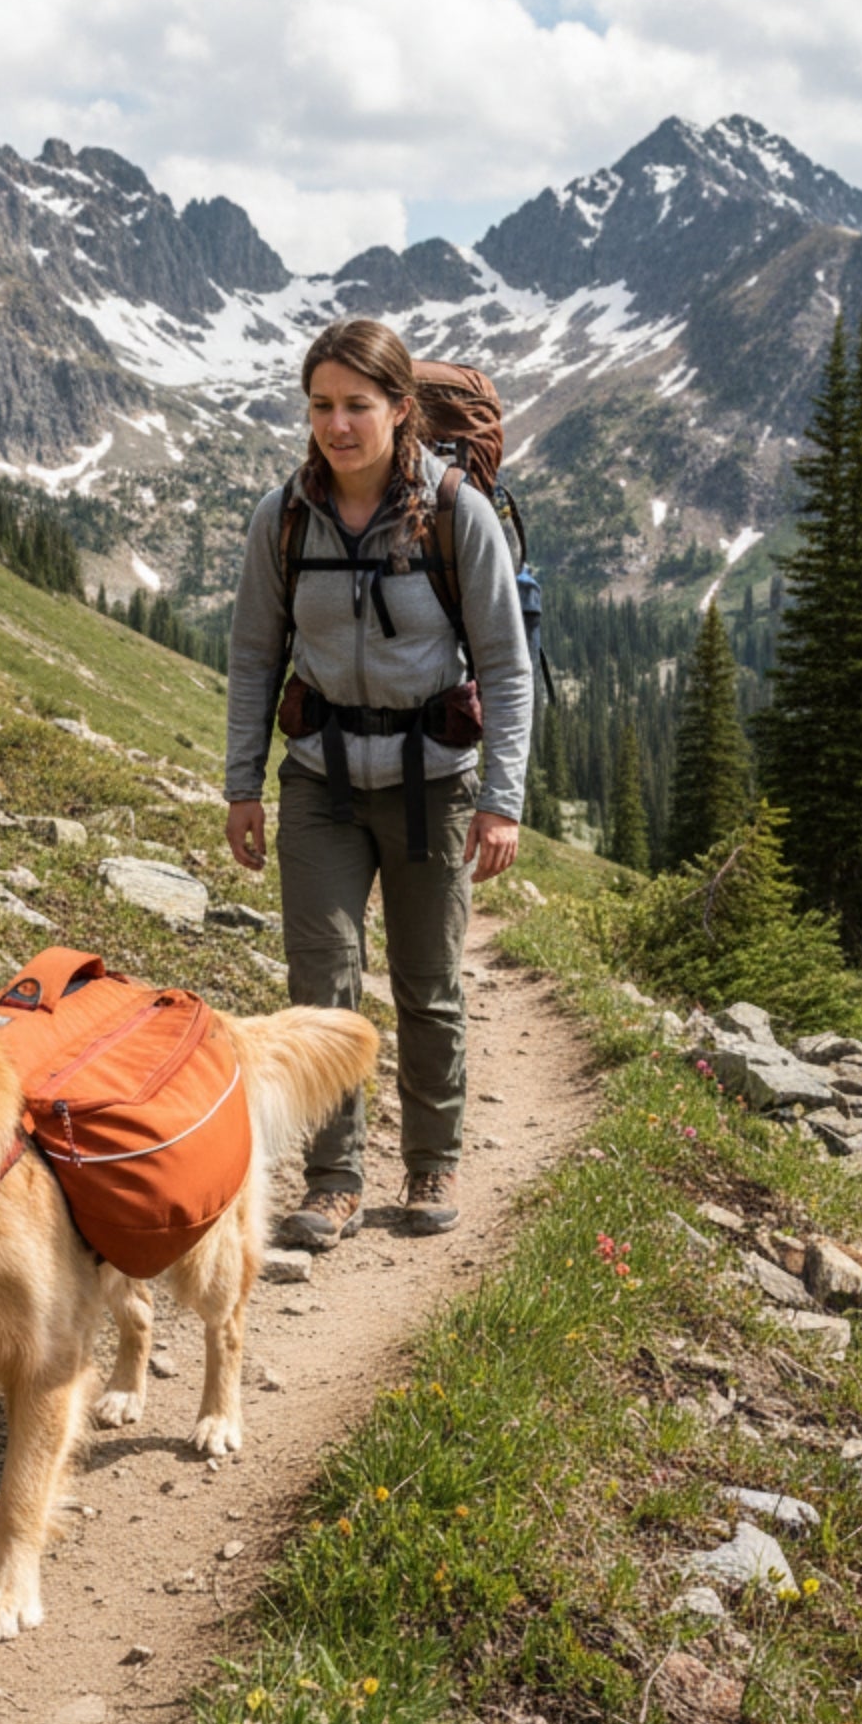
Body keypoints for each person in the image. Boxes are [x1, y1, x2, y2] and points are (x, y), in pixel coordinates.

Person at [224, 318, 532, 1243]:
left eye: (358, 405)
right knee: (320, 983)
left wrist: (501, 801)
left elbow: (507, 669)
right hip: (318, 778)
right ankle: (333, 1180)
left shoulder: (454, 515)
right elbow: (252, 658)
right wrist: (243, 784)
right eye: (321, 405)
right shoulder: (282, 517)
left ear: (402, 412)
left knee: (428, 982)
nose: (338, 425)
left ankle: (431, 1164)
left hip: (433, 780)